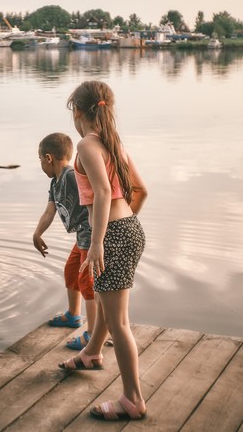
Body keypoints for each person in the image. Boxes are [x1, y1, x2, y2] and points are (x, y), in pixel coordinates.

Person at [57, 80, 149, 422]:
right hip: (129, 229)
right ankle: (92, 353)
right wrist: (122, 229)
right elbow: (140, 191)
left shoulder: (86, 145)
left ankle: (133, 400)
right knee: (112, 312)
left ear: (77, 111)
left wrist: (99, 242)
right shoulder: (115, 143)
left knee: (119, 321)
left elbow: (101, 190)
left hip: (111, 235)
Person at [33, 132, 96, 350]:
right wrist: (37, 233)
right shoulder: (54, 184)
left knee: (87, 281)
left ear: (49, 158)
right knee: (71, 270)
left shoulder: (71, 176)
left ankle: (93, 333)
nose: (41, 164)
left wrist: (98, 238)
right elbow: (49, 212)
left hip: (90, 235)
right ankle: (73, 315)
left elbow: (95, 198)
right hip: (81, 236)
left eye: (40, 159)